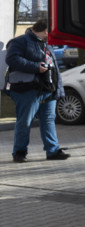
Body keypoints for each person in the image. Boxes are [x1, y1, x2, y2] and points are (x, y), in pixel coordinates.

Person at [4, 18, 69, 162]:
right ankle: (19, 152)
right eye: (51, 32)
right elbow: (12, 59)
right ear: (46, 30)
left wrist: (58, 90)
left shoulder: (46, 44)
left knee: (49, 120)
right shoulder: (20, 41)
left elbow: (55, 68)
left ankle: (53, 151)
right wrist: (35, 67)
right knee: (25, 121)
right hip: (27, 89)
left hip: (48, 89)